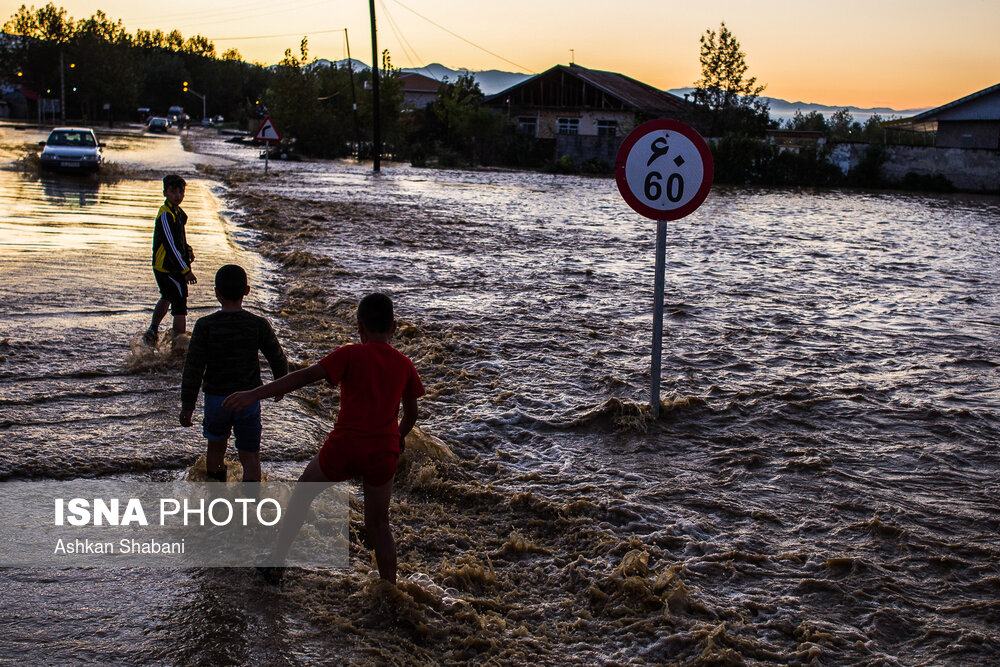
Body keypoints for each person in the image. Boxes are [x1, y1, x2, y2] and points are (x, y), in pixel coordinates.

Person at [223, 293, 423, 585]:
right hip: (383, 450)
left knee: (303, 495)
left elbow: (303, 377)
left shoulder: (350, 354)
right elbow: (412, 413)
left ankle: (277, 563)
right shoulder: (404, 364)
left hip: (345, 447)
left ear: (359, 327)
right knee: (379, 524)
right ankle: (390, 590)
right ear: (393, 327)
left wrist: (255, 393)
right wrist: (399, 436)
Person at [180, 264, 288, 482]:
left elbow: (193, 368)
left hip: (216, 400)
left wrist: (188, 405)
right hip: (248, 399)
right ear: (246, 291)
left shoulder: (204, 326)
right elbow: (277, 357)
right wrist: (280, 385)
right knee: (250, 456)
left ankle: (217, 502)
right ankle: (250, 504)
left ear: (216, 292)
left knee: (216, 450)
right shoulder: (257, 324)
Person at [144, 174, 197, 346]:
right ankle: (179, 346)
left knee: (167, 296)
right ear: (165, 192)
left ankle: (153, 330)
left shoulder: (178, 213)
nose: (178, 195)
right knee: (180, 304)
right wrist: (186, 271)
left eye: (181, 192)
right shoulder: (166, 215)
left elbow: (179, 239)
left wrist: (188, 249)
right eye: (173, 191)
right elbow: (171, 245)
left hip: (173, 266)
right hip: (167, 267)